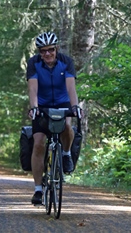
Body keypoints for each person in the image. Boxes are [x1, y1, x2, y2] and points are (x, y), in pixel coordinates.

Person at [26, 31, 82, 205]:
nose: (47, 54)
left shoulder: (66, 62)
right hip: (42, 106)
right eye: (43, 51)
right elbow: (33, 88)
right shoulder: (34, 63)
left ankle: (65, 154)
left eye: (50, 50)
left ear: (56, 48)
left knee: (67, 127)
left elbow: (71, 87)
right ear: (39, 52)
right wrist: (34, 108)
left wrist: (75, 107)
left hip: (62, 103)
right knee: (38, 143)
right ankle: (37, 190)